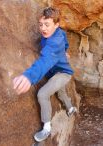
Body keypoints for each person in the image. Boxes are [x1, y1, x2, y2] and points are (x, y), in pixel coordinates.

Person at [13, 7, 77, 142]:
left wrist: (29, 76)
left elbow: (45, 59)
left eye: (47, 25)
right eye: (41, 24)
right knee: (61, 93)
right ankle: (71, 108)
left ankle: (47, 128)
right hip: (54, 72)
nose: (43, 28)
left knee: (42, 94)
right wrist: (65, 50)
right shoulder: (57, 33)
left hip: (63, 73)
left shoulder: (55, 42)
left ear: (56, 25)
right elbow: (65, 40)